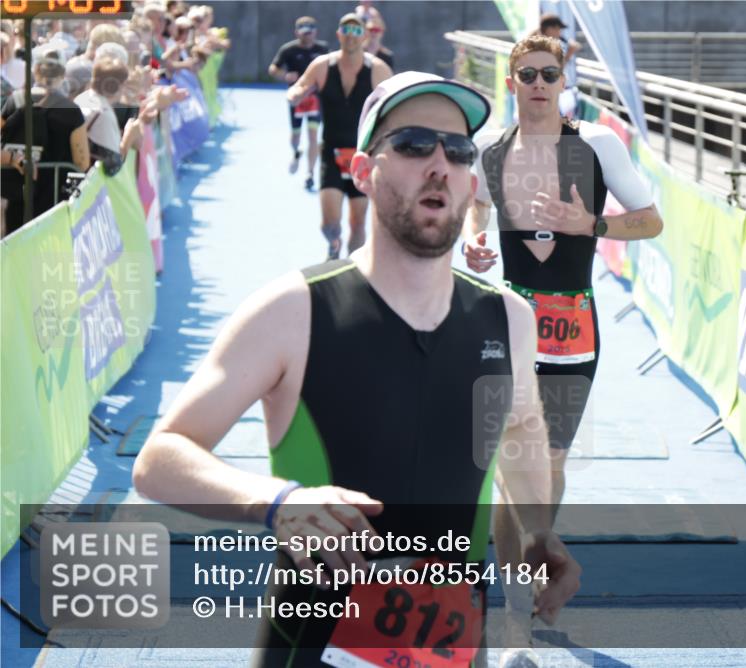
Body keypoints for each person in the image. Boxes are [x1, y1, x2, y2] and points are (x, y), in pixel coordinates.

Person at [133, 70, 581, 667]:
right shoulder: (293, 311)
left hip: (450, 646)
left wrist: (533, 532)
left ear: (472, 180)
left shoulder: (509, 320)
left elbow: (521, 428)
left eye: (457, 150)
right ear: (364, 172)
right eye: (414, 144)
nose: (438, 164)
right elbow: (161, 457)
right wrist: (277, 501)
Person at [462, 34, 663, 665]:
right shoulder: (491, 147)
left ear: (564, 79)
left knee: (548, 464)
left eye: (551, 74)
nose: (541, 84)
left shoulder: (598, 143)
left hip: (574, 326)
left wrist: (593, 226)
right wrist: (475, 242)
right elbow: (477, 206)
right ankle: (515, 615)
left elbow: (652, 220)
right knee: (504, 468)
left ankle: (536, 558)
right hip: (511, 323)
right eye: (529, 74)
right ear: (513, 81)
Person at [288, 12, 392, 259]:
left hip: (364, 155)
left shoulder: (377, 69)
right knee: (329, 224)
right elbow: (300, 86)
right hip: (331, 152)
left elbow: (396, 103)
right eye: (346, 30)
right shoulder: (323, 66)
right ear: (338, 35)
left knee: (358, 222)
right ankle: (333, 246)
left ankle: (352, 269)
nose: (351, 36)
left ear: (364, 36)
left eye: (357, 31)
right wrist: (295, 94)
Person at [0, 47, 89, 232]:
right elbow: (82, 162)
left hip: (16, 199)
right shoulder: (71, 111)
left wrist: (14, 158)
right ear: (63, 74)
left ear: (35, 70)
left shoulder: (15, 100)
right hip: (53, 204)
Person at [269, 16, 329, 187]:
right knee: (296, 134)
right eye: (303, 33)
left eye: (310, 33)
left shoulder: (323, 49)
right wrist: (285, 76)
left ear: (315, 32)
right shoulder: (288, 50)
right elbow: (273, 68)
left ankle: (310, 173)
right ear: (297, 33)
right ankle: (296, 152)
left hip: (315, 99)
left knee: (313, 135)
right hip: (296, 99)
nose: (307, 36)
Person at [537, 12, 580, 118]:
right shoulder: (543, 47)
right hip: (553, 93)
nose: (559, 32)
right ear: (548, 29)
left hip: (558, 92)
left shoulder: (548, 44)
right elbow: (554, 71)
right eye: (557, 29)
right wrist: (569, 53)